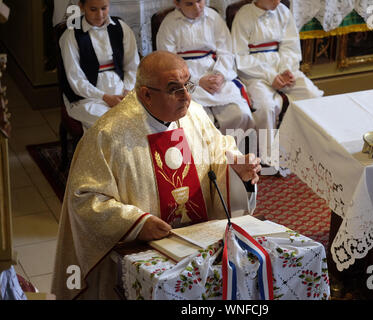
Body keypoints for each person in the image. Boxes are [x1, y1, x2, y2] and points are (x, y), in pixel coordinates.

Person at [51, 51, 261, 300]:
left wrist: (237, 171)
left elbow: (220, 153)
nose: (187, 96)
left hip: (201, 241)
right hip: (142, 249)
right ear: (146, 94)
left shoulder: (194, 114)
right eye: (175, 89)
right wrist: (137, 223)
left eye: (188, 84)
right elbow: (84, 199)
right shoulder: (107, 135)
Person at [231, 0, 323, 163]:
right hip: (255, 74)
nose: (278, 1)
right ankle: (268, 157)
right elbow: (241, 57)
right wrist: (270, 76)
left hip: (282, 69)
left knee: (312, 94)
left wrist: (285, 70)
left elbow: (291, 47)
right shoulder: (243, 16)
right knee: (266, 107)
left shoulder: (283, 12)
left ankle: (305, 146)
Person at [156, 0, 255, 135]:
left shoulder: (214, 18)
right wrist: (197, 81)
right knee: (200, 121)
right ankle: (207, 154)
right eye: (189, 4)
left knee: (241, 114)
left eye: (199, 1)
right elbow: (168, 62)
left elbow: (226, 51)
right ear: (177, 4)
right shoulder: (169, 25)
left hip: (214, 73)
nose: (197, 7)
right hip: (187, 80)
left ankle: (231, 152)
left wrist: (220, 75)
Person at [59, 0, 140, 131]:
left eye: (104, 8)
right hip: (87, 97)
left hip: (122, 90)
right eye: (93, 9)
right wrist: (105, 97)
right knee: (110, 123)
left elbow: (132, 65)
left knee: (142, 117)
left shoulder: (121, 28)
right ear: (81, 6)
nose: (100, 14)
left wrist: (127, 92)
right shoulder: (71, 35)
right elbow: (76, 79)